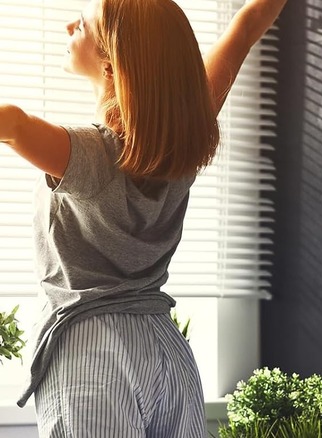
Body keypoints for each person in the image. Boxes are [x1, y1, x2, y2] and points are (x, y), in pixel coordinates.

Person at [0, 0, 287, 436]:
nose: (69, 24)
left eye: (84, 24)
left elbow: (14, 125)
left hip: (92, 352)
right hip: (165, 349)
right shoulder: (185, 139)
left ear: (112, 63)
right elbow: (247, 27)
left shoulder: (91, 155)